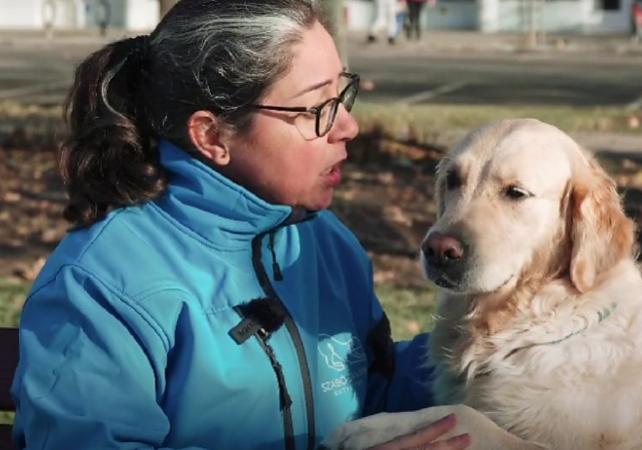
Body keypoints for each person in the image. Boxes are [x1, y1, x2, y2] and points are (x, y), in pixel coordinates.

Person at [10, 1, 472, 449]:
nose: (347, 126)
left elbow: (372, 392)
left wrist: (500, 354)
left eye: (342, 94)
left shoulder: (324, 242)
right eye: (316, 109)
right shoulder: (101, 285)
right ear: (212, 136)